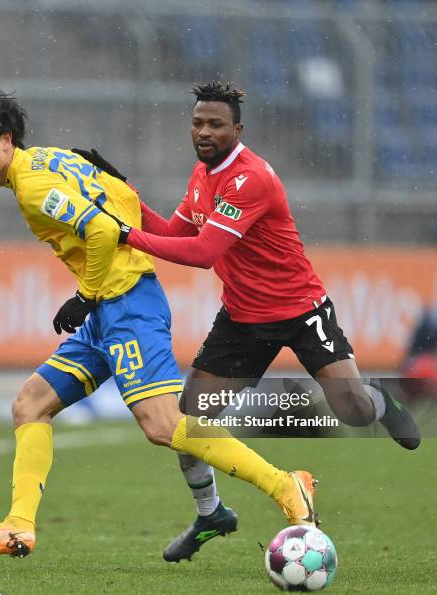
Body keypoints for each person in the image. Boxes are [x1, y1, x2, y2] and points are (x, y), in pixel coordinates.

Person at [0, 89, 318, 560]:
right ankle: (19, 526)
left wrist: (86, 294)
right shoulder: (49, 159)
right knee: (30, 404)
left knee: (164, 424)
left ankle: (287, 486)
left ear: (5, 140)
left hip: (125, 304)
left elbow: (103, 229)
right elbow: (118, 194)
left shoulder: (34, 184)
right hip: (108, 307)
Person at [78, 81, 421, 563]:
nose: (203, 131)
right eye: (197, 122)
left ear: (237, 129)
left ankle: (380, 402)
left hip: (301, 310)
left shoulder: (250, 178)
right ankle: (210, 514)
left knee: (353, 411)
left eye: (215, 124)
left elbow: (202, 253)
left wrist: (125, 235)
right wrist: (124, 194)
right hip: (241, 320)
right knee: (190, 425)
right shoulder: (203, 175)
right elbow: (174, 232)